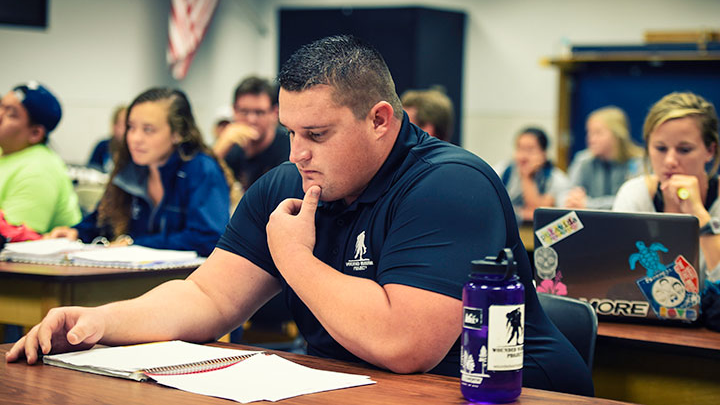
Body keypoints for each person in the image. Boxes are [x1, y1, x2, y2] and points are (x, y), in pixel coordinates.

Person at [7, 36, 593, 396]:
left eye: (316, 134)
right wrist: (100, 323)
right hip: (364, 388)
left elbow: (405, 344)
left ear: (381, 120)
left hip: (508, 394)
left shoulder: (449, 185)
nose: (296, 153)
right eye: (290, 132)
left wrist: (293, 257)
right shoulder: (291, 183)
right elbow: (207, 299)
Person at [46, 87, 231, 257]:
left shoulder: (201, 169)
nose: (135, 138)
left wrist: (135, 244)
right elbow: (104, 219)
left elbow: (208, 238)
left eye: (148, 130)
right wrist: (77, 232)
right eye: (131, 128)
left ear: (178, 134)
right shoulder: (131, 167)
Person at [613, 92, 720, 330]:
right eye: (660, 148)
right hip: (644, 326)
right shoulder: (635, 194)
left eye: (684, 150)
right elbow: (616, 276)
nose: (670, 160)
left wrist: (699, 215)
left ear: (710, 151)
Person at [0, 81, 81, 234]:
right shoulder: (6, 151)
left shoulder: (38, 169)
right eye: (1, 106)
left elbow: (12, 238)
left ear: (35, 133)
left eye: (11, 114)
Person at [213, 76, 290, 191]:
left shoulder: (289, 150)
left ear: (274, 113)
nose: (251, 120)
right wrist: (221, 147)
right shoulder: (232, 149)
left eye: (259, 112)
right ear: (234, 111)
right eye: (244, 112)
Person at [564, 106, 643, 209]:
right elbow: (567, 195)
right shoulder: (583, 160)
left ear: (617, 134)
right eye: (589, 133)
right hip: (590, 221)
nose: (591, 139)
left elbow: (632, 200)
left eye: (598, 133)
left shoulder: (638, 162)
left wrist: (588, 204)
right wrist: (573, 199)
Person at [495, 127, 571, 222]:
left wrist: (527, 177)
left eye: (530, 150)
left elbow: (538, 213)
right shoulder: (503, 170)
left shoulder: (556, 179)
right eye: (520, 148)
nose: (523, 156)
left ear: (544, 154)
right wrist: (522, 213)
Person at [87, 105, 127, 173]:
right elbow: (91, 170)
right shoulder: (102, 146)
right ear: (114, 126)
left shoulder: (134, 149)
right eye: (122, 124)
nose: (126, 129)